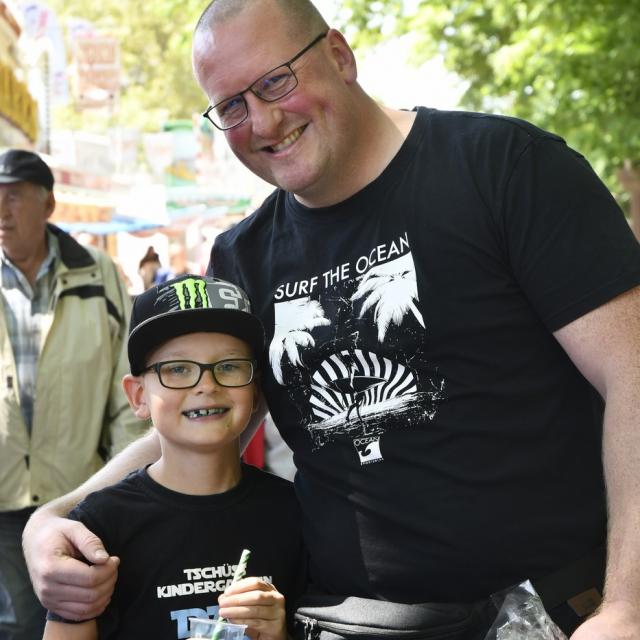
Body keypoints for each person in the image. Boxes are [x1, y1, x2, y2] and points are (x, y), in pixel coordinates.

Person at [22, 0, 640, 638]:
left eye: (275, 81)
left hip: (555, 610)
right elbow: (202, 414)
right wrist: (57, 517)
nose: (262, 121)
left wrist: (627, 604)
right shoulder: (243, 257)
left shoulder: (505, 166)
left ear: (340, 56)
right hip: (349, 619)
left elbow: (632, 373)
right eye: (231, 106)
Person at [41, 274, 306, 640]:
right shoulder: (98, 529)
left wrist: (279, 634)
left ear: (256, 390)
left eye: (229, 365)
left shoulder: (294, 512)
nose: (207, 385)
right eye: (177, 369)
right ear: (138, 396)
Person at [0, 148, 147, 640]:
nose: (2, 211)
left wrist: (120, 485)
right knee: (16, 625)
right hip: (2, 499)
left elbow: (128, 389)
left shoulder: (97, 274)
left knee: (82, 618)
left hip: (78, 494)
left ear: (47, 204)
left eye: (13, 197)